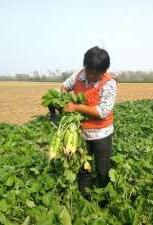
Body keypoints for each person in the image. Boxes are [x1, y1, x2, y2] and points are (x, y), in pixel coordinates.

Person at [49, 46, 117, 200]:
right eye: (89, 70)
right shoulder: (79, 75)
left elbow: (102, 112)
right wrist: (64, 100)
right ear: (85, 66)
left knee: (102, 168)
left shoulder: (109, 83)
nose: (91, 75)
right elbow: (64, 88)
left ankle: (104, 197)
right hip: (81, 133)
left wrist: (76, 107)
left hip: (101, 133)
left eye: (96, 73)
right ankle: (84, 198)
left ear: (104, 70)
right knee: (83, 167)